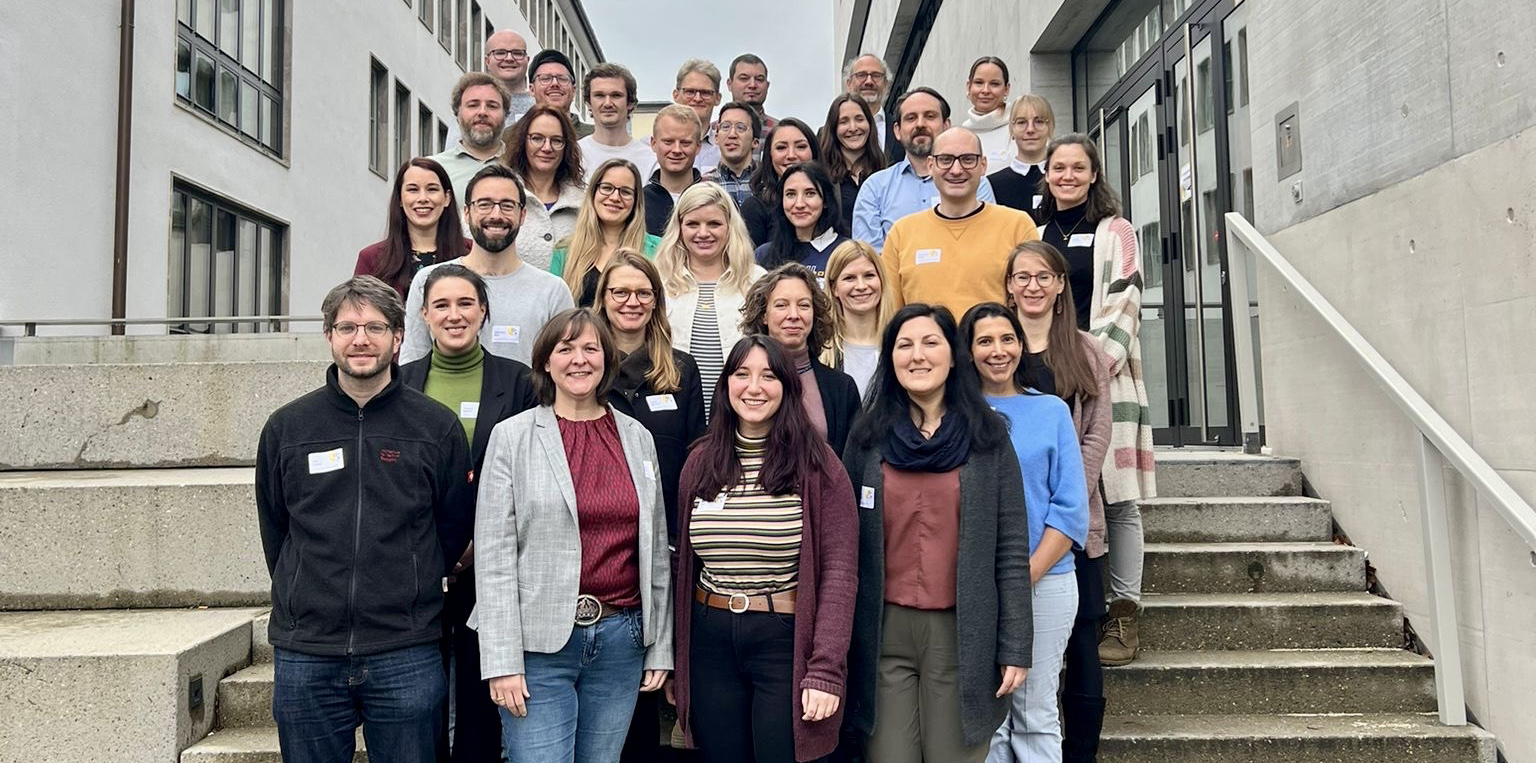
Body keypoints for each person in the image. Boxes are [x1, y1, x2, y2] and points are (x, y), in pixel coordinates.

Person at [257, 276, 475, 763]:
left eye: (375, 326)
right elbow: (276, 528)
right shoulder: (288, 428)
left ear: (398, 337)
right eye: (348, 326)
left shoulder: (434, 426)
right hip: (307, 649)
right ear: (329, 336)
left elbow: (453, 524)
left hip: (406, 646)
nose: (361, 339)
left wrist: (410, 579)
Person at [475, 308, 674, 762]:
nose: (579, 360)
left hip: (621, 641)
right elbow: (493, 558)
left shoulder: (638, 437)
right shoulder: (512, 438)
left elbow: (654, 551)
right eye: (565, 349)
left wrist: (660, 646)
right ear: (546, 361)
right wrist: (502, 662)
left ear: (607, 359)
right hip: (538, 646)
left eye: (590, 348)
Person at [843, 304, 1032, 763]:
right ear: (890, 359)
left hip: (961, 633)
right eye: (904, 345)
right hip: (882, 631)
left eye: (931, 343)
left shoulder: (988, 439)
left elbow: (1009, 547)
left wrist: (1015, 645)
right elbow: (842, 542)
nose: (917, 355)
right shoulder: (866, 439)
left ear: (954, 355)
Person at [671, 335, 859, 763]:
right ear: (725, 386)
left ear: (788, 387)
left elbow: (840, 572)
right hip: (709, 638)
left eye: (768, 376)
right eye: (741, 374)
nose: (753, 387)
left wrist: (826, 669)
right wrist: (678, 661)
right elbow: (683, 564)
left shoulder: (818, 465)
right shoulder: (699, 462)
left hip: (783, 640)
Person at [398, 264, 539, 763]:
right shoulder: (400, 383)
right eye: (442, 305)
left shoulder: (519, 382)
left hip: (492, 562)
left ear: (483, 311)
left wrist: (481, 544)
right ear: (424, 315)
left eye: (465, 304)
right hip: (418, 561)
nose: (454, 315)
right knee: (419, 695)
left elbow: (530, 468)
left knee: (485, 693)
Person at [1037, 134, 1156, 667]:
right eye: (1058, 167)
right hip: (1045, 379)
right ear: (1046, 174)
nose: (1067, 175)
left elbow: (1125, 300)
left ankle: (1125, 608)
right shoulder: (1035, 231)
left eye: (1077, 167)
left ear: (1093, 174)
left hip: (1104, 372)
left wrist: (1087, 363)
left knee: (1117, 496)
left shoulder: (1118, 232)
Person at [958, 302, 1089, 763]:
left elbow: (1071, 510)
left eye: (1007, 339)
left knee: (1034, 714)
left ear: (1021, 345)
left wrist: (1021, 577)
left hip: (1047, 581)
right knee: (987, 722)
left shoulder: (1050, 410)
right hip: (975, 589)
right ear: (968, 352)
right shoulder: (956, 414)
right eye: (985, 341)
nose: (998, 351)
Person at [1001, 240, 1113, 763]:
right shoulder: (996, 347)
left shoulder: (1087, 350)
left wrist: (1068, 498)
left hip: (1075, 524)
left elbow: (1096, 435)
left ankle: (1081, 753)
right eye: (1022, 276)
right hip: (1014, 521)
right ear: (1008, 285)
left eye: (1044, 276)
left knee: (1081, 651)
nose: (1032, 286)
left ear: (1061, 284)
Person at [402, 164, 574, 365]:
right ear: (466, 213)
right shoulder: (429, 281)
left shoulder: (552, 291)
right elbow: (412, 363)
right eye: (484, 204)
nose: (496, 215)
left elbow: (564, 366)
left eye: (507, 205)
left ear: (523, 215)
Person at [880, 127, 1038, 318]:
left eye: (968, 159)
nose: (956, 170)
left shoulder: (1017, 226)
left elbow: (1033, 302)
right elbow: (891, 314)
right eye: (945, 160)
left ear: (983, 165)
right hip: (925, 347)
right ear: (931, 165)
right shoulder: (902, 233)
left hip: (994, 346)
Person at [654, 182, 767, 415]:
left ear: (730, 228)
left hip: (740, 414)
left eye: (714, 224)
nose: (703, 233)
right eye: (692, 224)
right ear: (679, 228)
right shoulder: (658, 280)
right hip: (674, 410)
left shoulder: (757, 281)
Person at [738, 263, 861, 455]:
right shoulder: (738, 381)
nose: (793, 315)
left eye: (803, 305)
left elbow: (852, 463)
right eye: (781, 305)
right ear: (763, 314)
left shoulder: (841, 387)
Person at [852, 88, 996, 250]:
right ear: (897, 131)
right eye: (911, 118)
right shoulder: (875, 188)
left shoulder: (975, 183)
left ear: (946, 125)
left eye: (930, 116)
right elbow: (869, 258)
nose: (920, 124)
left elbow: (986, 244)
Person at [551, 158, 661, 307]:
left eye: (625, 192)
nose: (615, 197)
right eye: (607, 188)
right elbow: (555, 311)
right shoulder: (564, 252)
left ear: (636, 201)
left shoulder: (658, 250)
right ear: (593, 193)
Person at [355, 158, 469, 300]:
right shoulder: (371, 258)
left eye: (432, 189)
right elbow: (359, 314)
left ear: (447, 198)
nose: (423, 198)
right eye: (413, 190)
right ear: (401, 199)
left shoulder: (472, 253)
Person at [501, 104, 586, 272]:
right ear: (522, 141)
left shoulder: (583, 203)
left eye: (556, 140)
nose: (547, 148)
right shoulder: (500, 195)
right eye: (537, 138)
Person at [753, 162, 851, 282]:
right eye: (791, 194)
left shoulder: (847, 252)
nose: (799, 204)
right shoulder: (763, 255)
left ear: (825, 201)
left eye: (810, 193)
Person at [821, 240, 894, 398]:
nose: (861, 286)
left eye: (869, 276)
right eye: (849, 278)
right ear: (834, 288)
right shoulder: (820, 352)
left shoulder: (899, 345)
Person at [443, 30, 536, 146]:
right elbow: (454, 153)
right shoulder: (469, 105)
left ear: (527, 60)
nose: (509, 58)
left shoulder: (539, 105)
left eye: (517, 53)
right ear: (487, 60)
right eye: (500, 53)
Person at [431, 72, 511, 201]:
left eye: (492, 106)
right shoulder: (433, 169)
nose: (482, 112)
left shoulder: (523, 165)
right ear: (457, 114)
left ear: (506, 115)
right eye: (473, 105)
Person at [742, 118, 820, 247]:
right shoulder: (755, 207)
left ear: (814, 152)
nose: (791, 155)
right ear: (769, 155)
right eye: (781, 147)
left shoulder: (832, 200)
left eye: (800, 147)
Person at [819, 94, 887, 236]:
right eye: (843, 121)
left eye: (859, 119)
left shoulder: (885, 173)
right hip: (838, 256)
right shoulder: (821, 178)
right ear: (833, 128)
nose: (853, 127)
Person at [578, 63, 656, 183]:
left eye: (616, 95)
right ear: (588, 103)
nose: (608, 103)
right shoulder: (574, 155)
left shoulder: (651, 159)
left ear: (630, 103)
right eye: (599, 95)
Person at [987, 95, 1055, 221]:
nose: (1030, 129)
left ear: (1050, 128)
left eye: (1039, 121)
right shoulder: (992, 184)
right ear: (1012, 130)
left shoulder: (1062, 180)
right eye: (1022, 122)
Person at [644, 105, 705, 235]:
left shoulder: (714, 199)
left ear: (698, 146)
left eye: (685, 143)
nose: (676, 150)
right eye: (668, 142)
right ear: (653, 143)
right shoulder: (638, 202)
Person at [701, 101, 761, 206]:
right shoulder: (704, 185)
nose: (732, 134)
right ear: (716, 138)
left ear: (755, 142)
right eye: (725, 127)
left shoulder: (767, 182)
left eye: (741, 128)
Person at [959, 57, 1014, 166]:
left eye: (994, 84)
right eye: (979, 83)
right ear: (968, 86)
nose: (985, 90)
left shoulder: (1022, 128)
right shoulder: (961, 135)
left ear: (1006, 89)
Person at [671, 58, 723, 172]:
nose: (697, 99)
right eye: (690, 92)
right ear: (675, 95)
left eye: (705, 93)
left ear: (718, 98)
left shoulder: (724, 149)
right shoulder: (651, 149)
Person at [528, 49, 592, 139]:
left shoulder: (595, 137)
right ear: (532, 89)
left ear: (573, 90)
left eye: (562, 78)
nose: (555, 84)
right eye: (545, 78)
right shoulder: (513, 136)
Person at [842, 53, 892, 155]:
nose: (869, 81)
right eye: (861, 75)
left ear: (886, 85)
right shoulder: (827, 133)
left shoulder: (901, 129)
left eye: (876, 76)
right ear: (849, 84)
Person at [726, 54, 776, 138]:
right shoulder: (713, 132)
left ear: (767, 86)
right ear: (729, 84)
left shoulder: (780, 132)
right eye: (744, 78)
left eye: (759, 79)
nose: (752, 85)